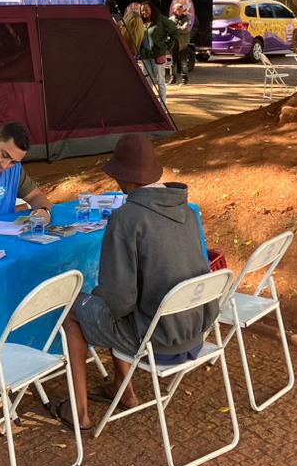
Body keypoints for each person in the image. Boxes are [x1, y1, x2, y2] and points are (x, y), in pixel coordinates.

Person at [56, 134, 217, 430]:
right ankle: (123, 387)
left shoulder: (127, 218)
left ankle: (79, 411)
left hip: (158, 341)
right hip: (194, 332)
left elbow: (119, 301)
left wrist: (97, 297)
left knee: (74, 310)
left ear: (122, 178)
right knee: (112, 302)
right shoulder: (188, 212)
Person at [139, 1, 177, 107]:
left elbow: (174, 32)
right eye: (142, 10)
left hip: (158, 55)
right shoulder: (141, 22)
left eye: (146, 9)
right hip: (145, 56)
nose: (144, 12)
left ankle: (163, 106)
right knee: (147, 81)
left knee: (160, 80)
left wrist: (166, 46)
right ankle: (148, 105)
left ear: (152, 9)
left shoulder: (161, 20)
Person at [171, 0, 194, 86]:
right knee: (173, 62)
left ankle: (184, 79)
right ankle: (173, 79)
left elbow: (185, 29)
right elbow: (169, 30)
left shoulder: (186, 19)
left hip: (183, 44)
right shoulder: (171, 19)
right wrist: (178, 29)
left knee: (183, 62)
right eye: (178, 9)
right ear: (174, 10)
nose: (180, 11)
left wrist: (175, 29)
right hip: (174, 44)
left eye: (181, 9)